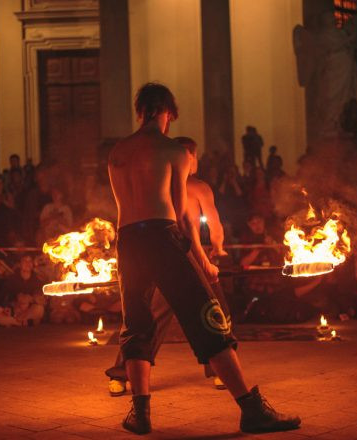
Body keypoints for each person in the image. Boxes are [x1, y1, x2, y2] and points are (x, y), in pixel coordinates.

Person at [108, 82, 300, 435]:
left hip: (128, 240)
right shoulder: (173, 151)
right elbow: (182, 215)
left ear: (140, 111)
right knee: (207, 316)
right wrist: (200, 257)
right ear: (168, 113)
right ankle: (251, 409)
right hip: (162, 237)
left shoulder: (117, 152)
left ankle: (141, 413)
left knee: (136, 323)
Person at [105, 136, 230, 395]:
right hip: (168, 256)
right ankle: (122, 372)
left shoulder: (199, 188)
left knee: (216, 313)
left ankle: (218, 370)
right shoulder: (158, 187)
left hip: (195, 259)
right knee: (149, 317)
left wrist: (217, 248)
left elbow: (214, 223)